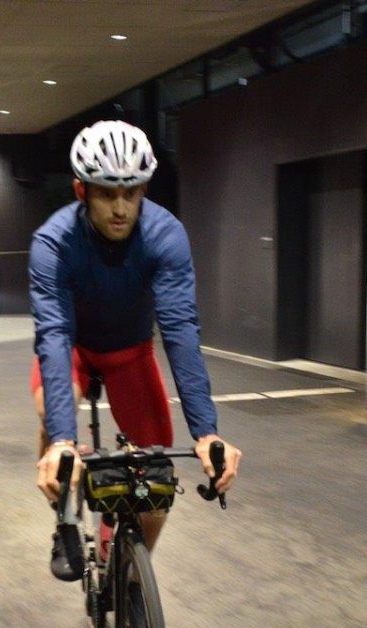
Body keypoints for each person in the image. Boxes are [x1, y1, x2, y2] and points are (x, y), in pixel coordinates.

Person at [29, 120, 243, 599]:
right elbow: (54, 335)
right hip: (74, 349)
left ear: (145, 189)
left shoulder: (166, 235)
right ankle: (65, 517)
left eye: (131, 193)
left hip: (129, 352)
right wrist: (62, 440)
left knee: (157, 479)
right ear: (81, 191)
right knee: (51, 409)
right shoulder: (53, 242)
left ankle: (125, 574)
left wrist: (207, 432)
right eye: (107, 194)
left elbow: (180, 331)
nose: (121, 208)